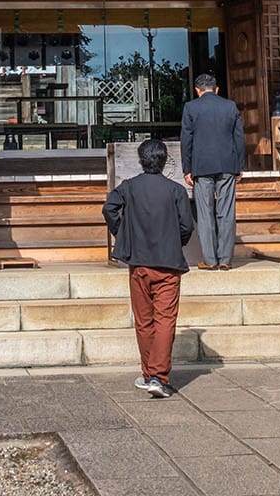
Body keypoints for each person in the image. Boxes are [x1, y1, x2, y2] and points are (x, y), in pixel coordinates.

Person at [103, 137, 195, 397]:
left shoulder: (129, 187)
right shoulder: (175, 191)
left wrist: (122, 233)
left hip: (139, 263)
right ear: (164, 161)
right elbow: (187, 227)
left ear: (142, 161)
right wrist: (176, 241)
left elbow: (109, 208)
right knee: (165, 319)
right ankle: (158, 376)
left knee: (144, 321)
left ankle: (149, 373)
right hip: (168, 263)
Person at [180, 72, 243, 270]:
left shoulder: (191, 107)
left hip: (202, 166)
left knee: (205, 212)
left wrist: (187, 169)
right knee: (226, 211)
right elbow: (239, 138)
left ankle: (209, 260)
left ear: (198, 91)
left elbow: (186, 140)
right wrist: (239, 167)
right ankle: (225, 259)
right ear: (217, 89)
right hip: (227, 165)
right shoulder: (230, 106)